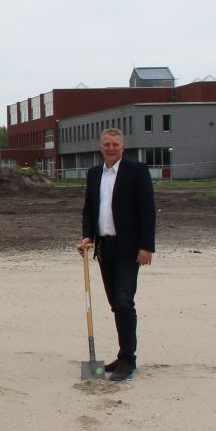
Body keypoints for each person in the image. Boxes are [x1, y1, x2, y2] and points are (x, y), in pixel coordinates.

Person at [77, 128, 156, 382]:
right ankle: (121, 356)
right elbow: (89, 210)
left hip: (129, 248)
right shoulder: (94, 174)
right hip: (104, 248)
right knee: (115, 304)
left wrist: (146, 247)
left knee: (124, 301)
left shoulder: (137, 171)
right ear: (100, 147)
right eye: (107, 144)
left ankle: (128, 362)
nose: (111, 148)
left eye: (115, 144)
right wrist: (88, 236)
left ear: (123, 146)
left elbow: (148, 211)